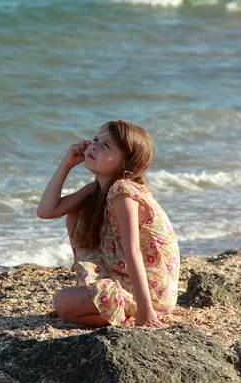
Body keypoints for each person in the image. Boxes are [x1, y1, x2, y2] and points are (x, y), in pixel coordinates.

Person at [37, 120, 180, 328]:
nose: (94, 146)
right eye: (96, 139)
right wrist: (66, 164)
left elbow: (132, 251)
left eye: (106, 145)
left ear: (127, 162)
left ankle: (128, 311)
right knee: (77, 216)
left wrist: (145, 310)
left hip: (151, 292)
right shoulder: (96, 189)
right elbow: (46, 211)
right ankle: (111, 310)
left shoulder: (124, 191)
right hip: (125, 280)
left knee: (63, 301)